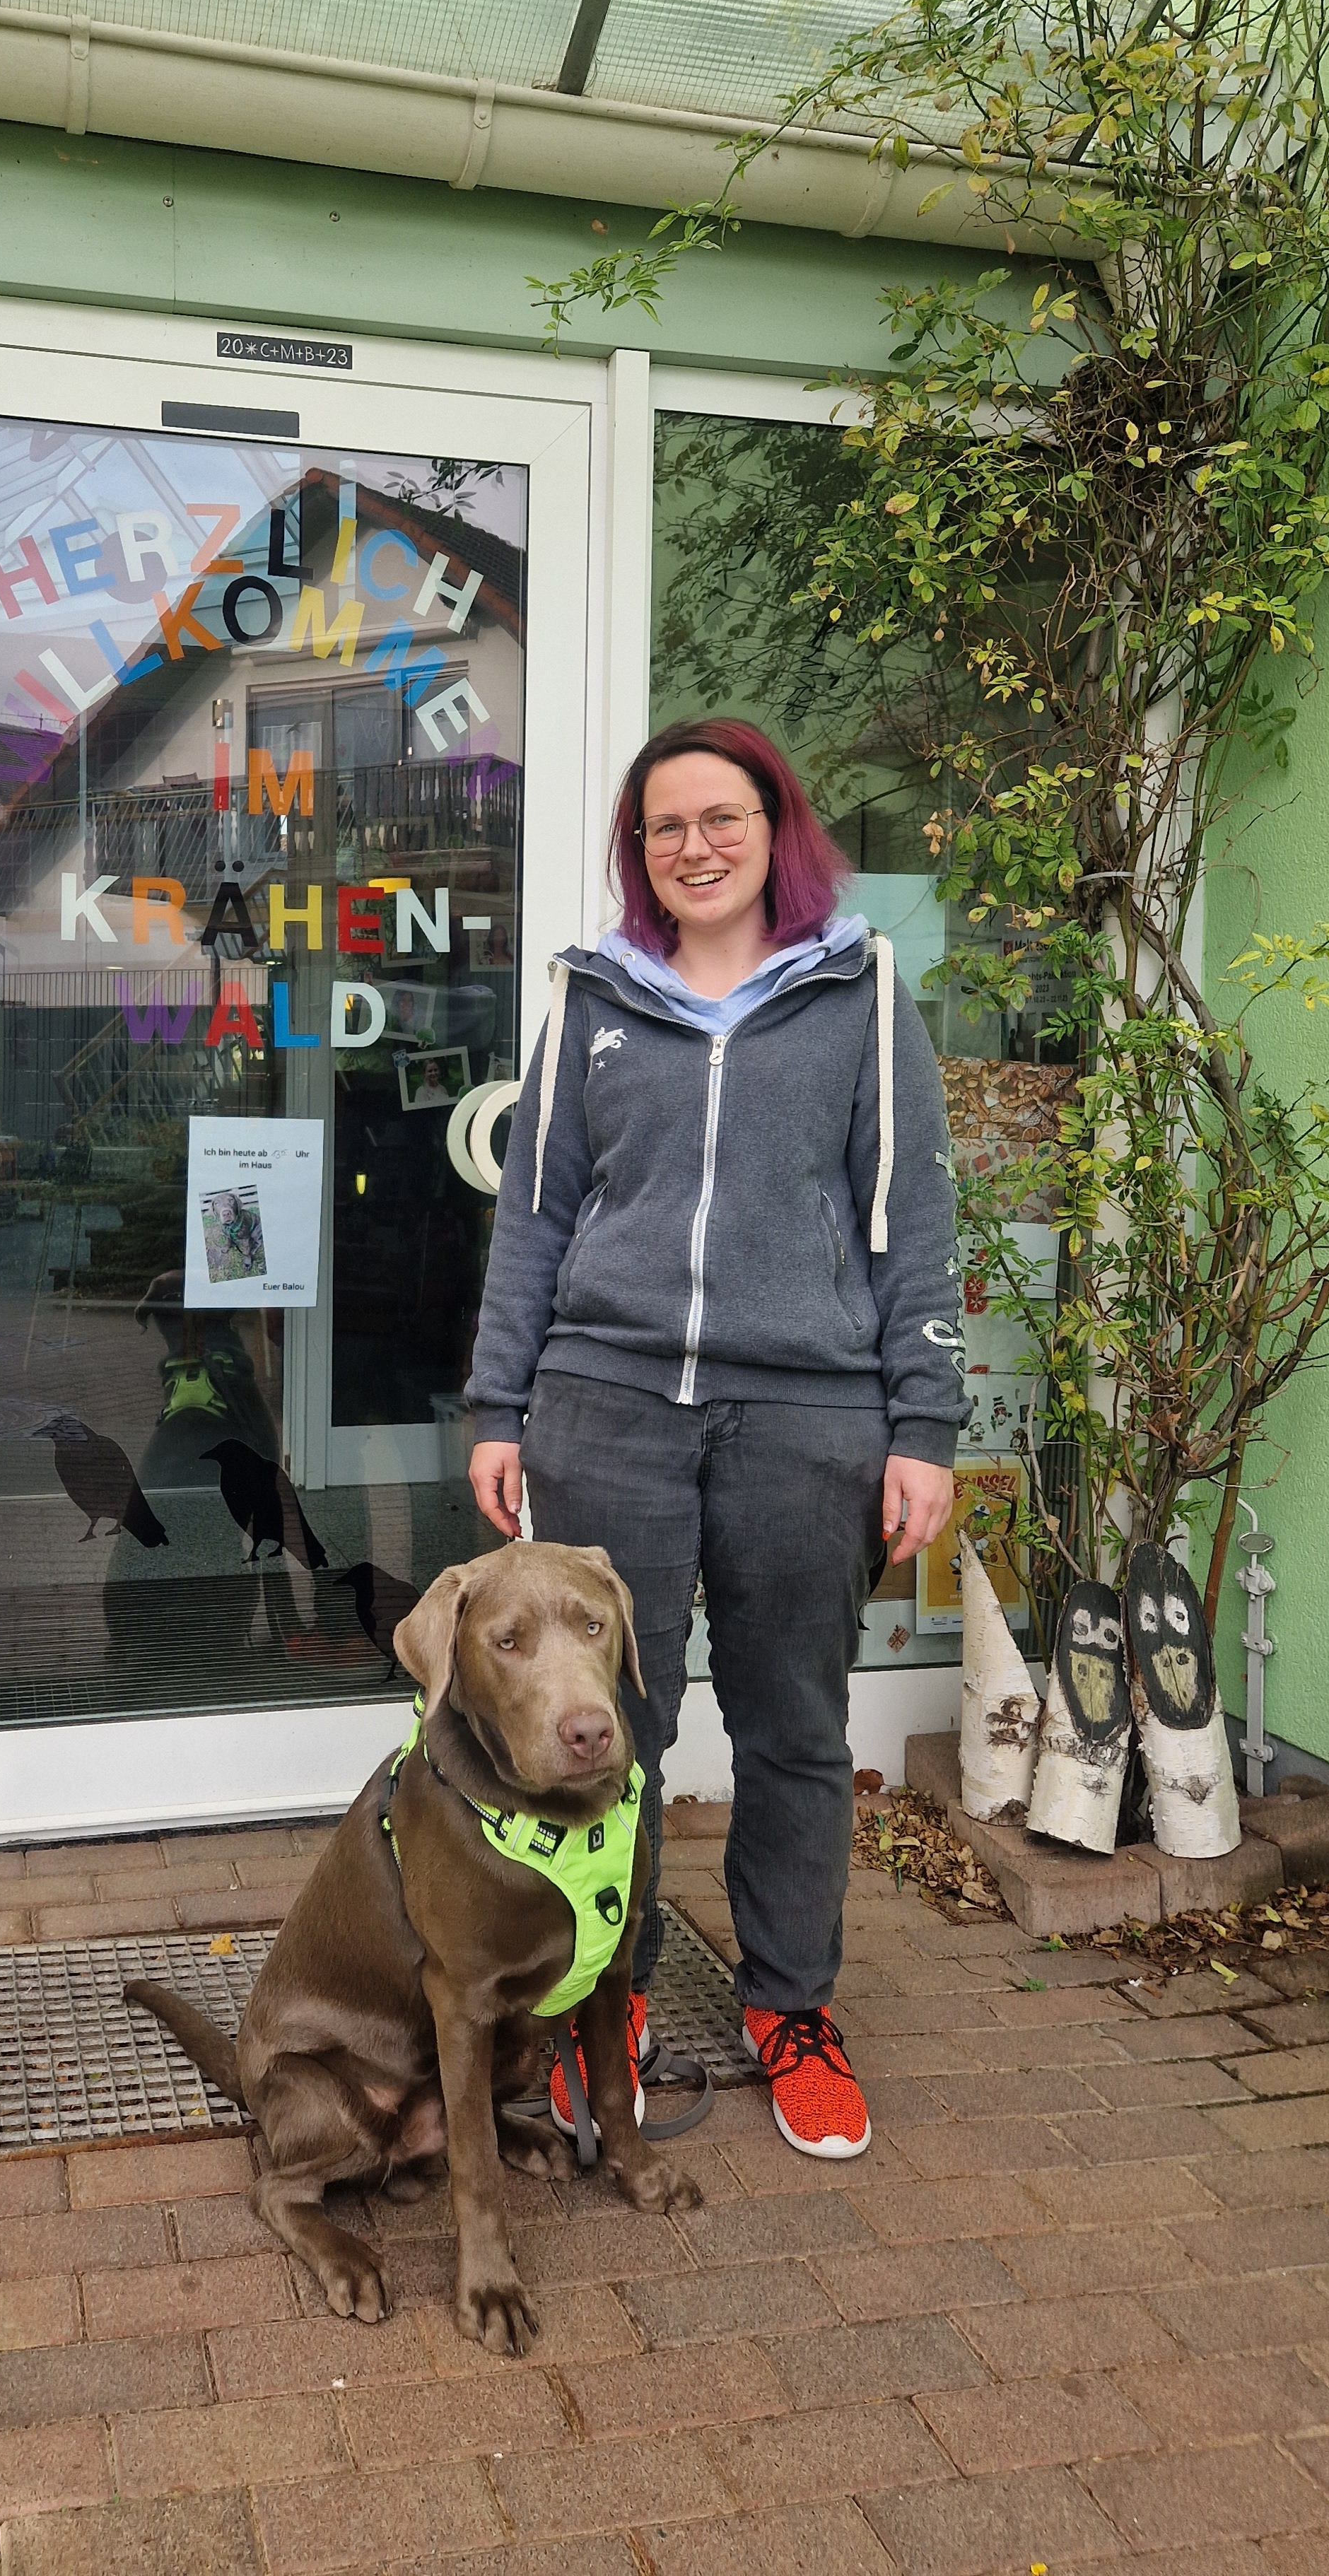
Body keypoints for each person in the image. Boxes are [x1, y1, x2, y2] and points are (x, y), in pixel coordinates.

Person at [464, 718, 961, 2160]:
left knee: (794, 1726)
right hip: (607, 1403)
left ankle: (791, 2008)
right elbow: (537, 1214)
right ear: (641, 851)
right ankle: (601, 2003)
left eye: (721, 816)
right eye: (665, 825)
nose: (696, 845)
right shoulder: (595, 996)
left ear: (774, 824)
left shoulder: (861, 991)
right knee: (611, 1729)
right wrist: (499, 1403)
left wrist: (923, 1425)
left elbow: (912, 1217)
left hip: (810, 1414)